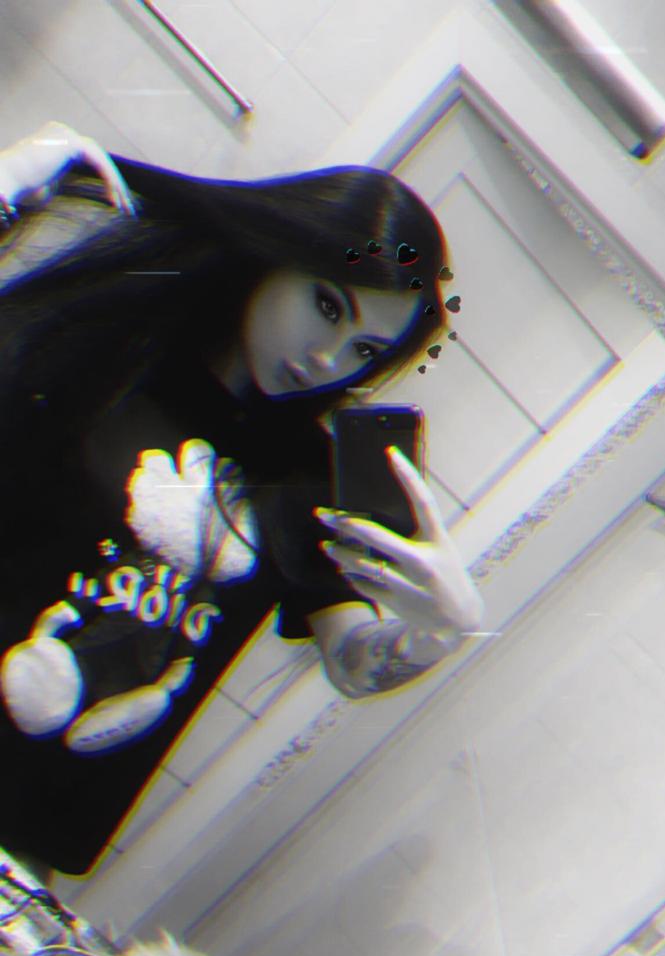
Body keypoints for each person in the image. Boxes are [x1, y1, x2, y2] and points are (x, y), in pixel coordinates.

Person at [0, 122, 483, 879]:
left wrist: (436, 633)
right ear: (280, 252)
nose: (325, 360)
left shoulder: (308, 478)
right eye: (328, 306)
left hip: (29, 845)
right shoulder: (113, 347)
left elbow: (353, 661)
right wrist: (7, 186)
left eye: (364, 351)